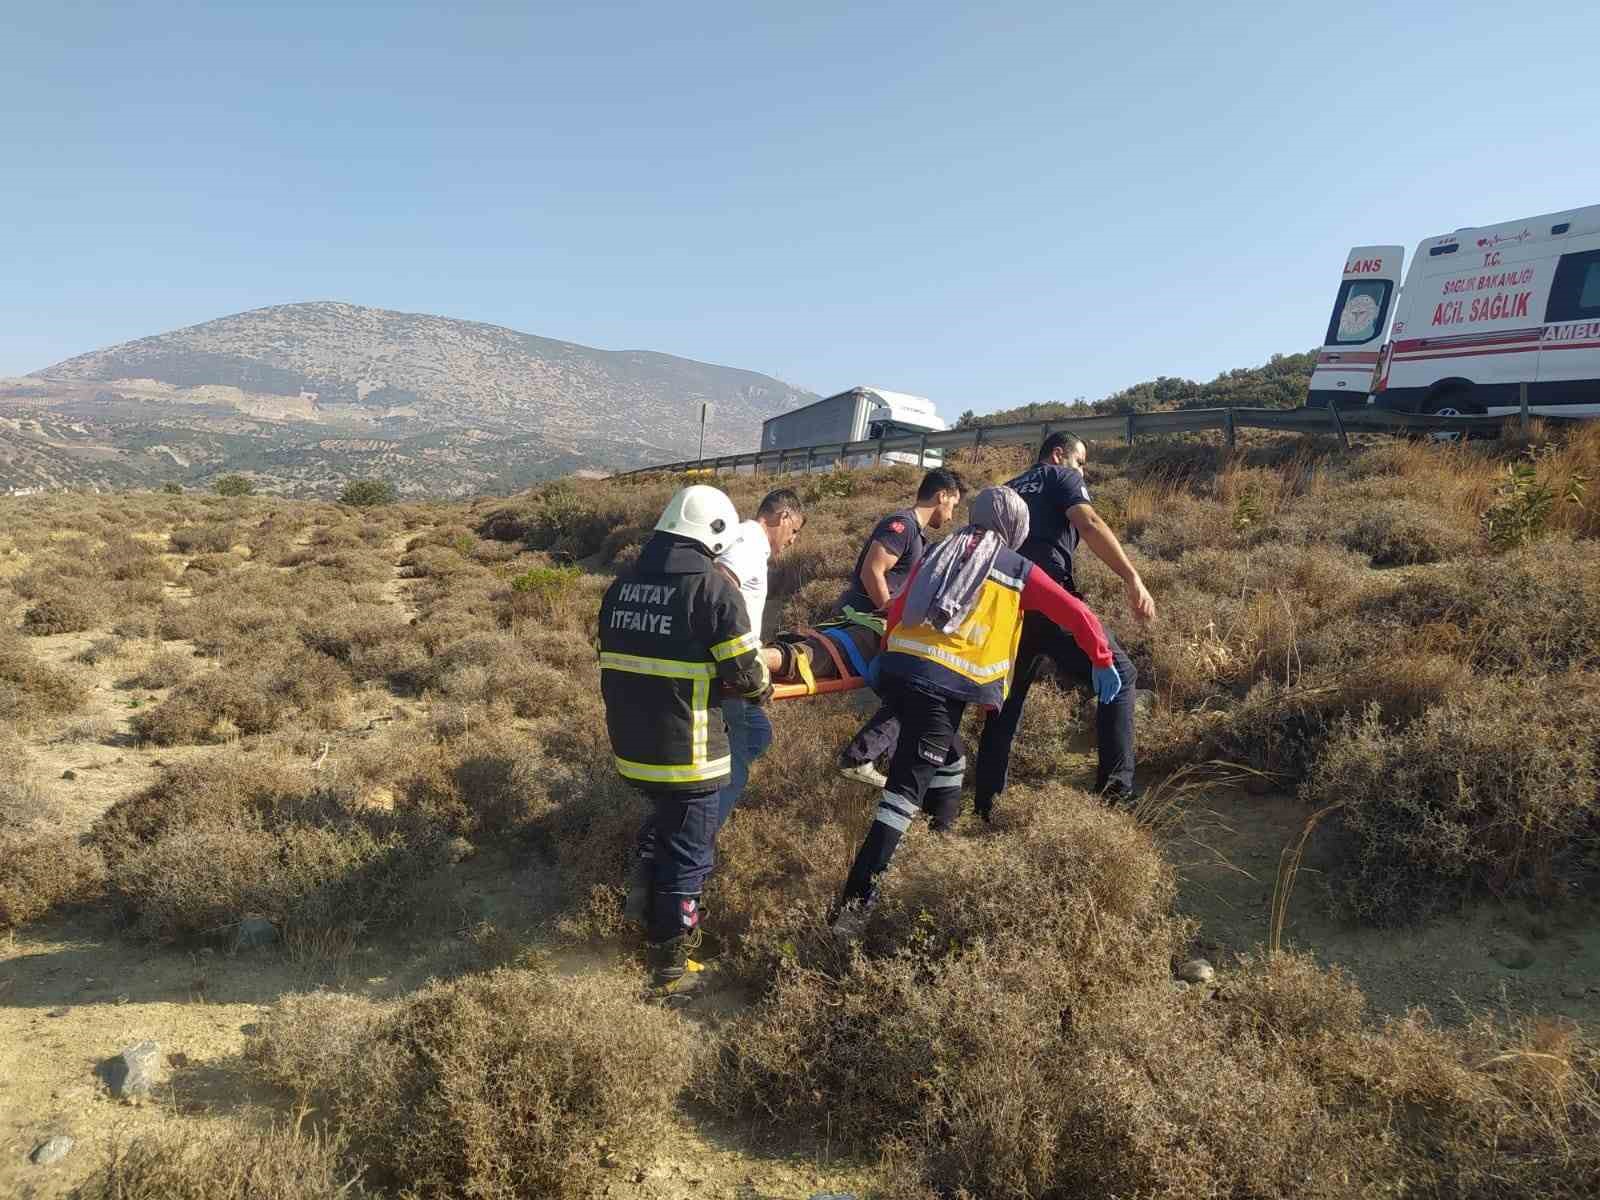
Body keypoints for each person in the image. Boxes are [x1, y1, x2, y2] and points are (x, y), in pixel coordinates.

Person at [831, 486, 1119, 936]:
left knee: (952, 759)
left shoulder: (938, 552)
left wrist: (889, 657)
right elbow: (1076, 612)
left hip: (900, 669)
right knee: (900, 799)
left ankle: (938, 848)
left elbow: (898, 608)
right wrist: (1101, 658)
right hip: (938, 687)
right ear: (1015, 527)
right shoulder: (1017, 568)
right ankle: (851, 911)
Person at [598, 484, 772, 999]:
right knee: (690, 856)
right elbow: (747, 674)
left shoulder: (621, 587)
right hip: (690, 755)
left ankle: (640, 907)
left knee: (665, 829)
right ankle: (671, 964)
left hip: (632, 748)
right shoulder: (713, 591)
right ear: (714, 535)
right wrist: (761, 685)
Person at [622, 488, 807, 928]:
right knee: (729, 772)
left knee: (757, 734)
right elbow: (720, 589)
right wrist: (742, 659)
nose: (793, 541)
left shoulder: (729, 542)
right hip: (726, 678)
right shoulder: (750, 543)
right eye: (795, 531)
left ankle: (666, 836)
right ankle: (669, 858)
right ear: (782, 517)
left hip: (697, 684)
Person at [973, 433, 1155, 814]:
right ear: (1058, 454)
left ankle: (987, 805)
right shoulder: (1060, 476)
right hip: (1049, 598)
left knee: (1004, 703)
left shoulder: (1007, 489)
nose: (1082, 470)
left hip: (1006, 605)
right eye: (1080, 461)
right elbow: (1089, 524)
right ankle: (1116, 793)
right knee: (1121, 675)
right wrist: (1132, 577)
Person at [834, 468, 966, 787]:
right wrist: (890, 614)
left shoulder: (917, 535)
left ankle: (889, 766)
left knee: (910, 695)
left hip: (879, 623)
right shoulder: (902, 525)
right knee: (913, 688)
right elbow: (872, 571)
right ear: (942, 495)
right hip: (865, 619)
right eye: (953, 504)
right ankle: (863, 758)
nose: (951, 515)